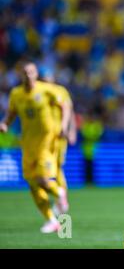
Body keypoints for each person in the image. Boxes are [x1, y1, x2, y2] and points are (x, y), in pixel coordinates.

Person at [0, 61, 70, 233]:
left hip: (47, 142)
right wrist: (5, 124)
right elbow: (11, 113)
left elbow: (66, 105)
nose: (28, 75)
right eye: (25, 72)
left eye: (31, 72)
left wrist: (64, 125)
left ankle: (60, 193)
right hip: (28, 144)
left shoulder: (47, 90)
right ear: (20, 75)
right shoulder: (16, 94)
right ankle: (52, 220)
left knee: (42, 179)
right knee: (32, 183)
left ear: (36, 74)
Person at [39, 67, 77, 214]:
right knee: (48, 170)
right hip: (44, 137)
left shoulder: (60, 91)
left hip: (59, 137)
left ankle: (61, 199)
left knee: (56, 167)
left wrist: (71, 131)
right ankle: (60, 199)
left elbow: (70, 112)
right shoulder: (40, 93)